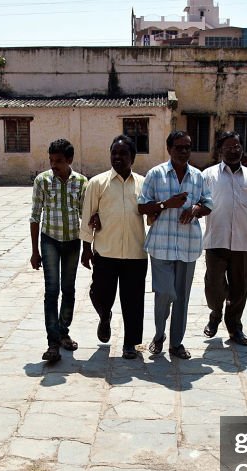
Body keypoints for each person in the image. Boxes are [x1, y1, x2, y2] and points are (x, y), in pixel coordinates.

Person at [137, 131, 212, 359]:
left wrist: (196, 209)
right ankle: (159, 335)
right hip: (161, 245)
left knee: (182, 297)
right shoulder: (155, 174)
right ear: (169, 149)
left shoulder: (198, 177)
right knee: (165, 293)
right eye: (179, 147)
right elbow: (142, 207)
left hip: (188, 246)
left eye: (187, 147)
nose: (184, 151)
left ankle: (176, 343)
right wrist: (165, 205)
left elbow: (208, 203)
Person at [201, 131, 247, 347]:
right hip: (216, 240)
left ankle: (234, 326)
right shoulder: (208, 175)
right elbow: (198, 203)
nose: (233, 150)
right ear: (220, 150)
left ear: (242, 149)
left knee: (240, 288)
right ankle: (215, 314)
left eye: (237, 147)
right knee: (214, 286)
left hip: (243, 243)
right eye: (228, 147)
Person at [80, 135, 147, 360]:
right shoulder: (97, 183)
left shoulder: (143, 183)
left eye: (123, 154)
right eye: (114, 153)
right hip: (105, 253)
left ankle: (131, 344)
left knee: (133, 302)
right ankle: (104, 316)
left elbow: (151, 215)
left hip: (135, 253)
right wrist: (86, 248)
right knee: (100, 294)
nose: (117, 157)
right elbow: (88, 216)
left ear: (132, 158)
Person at [30, 138, 88, 364]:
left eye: (59, 161)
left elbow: (85, 217)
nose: (54, 165)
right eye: (51, 160)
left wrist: (88, 248)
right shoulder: (42, 181)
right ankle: (52, 343)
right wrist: (35, 251)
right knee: (51, 291)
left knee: (69, 289)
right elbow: (35, 216)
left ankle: (63, 331)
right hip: (50, 241)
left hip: (73, 241)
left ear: (70, 160)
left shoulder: (81, 182)